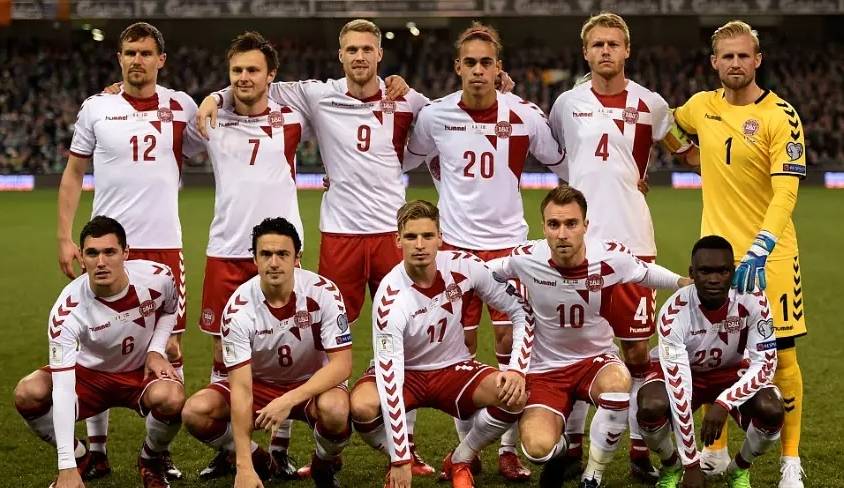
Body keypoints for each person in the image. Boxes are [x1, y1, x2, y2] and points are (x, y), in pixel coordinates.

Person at [196, 19, 435, 475]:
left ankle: (406, 444)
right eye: (351, 49)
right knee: (315, 342)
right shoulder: (315, 95)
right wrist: (214, 97)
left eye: (367, 48)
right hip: (339, 232)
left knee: (405, 336)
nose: (359, 56)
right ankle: (304, 449)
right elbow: (252, 84)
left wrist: (501, 84)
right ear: (340, 55)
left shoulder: (407, 99)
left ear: (379, 54)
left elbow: (440, 122)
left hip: (391, 233)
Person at [403, 22, 565, 480]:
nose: (478, 70)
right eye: (470, 62)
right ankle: (467, 452)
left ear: (499, 68)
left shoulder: (524, 114)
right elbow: (407, 156)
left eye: (486, 63)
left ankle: (507, 451)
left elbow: (561, 161)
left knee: (513, 346)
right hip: (455, 251)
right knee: (461, 348)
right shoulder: (435, 116)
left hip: (510, 248)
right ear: (458, 67)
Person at [547, 12, 694, 482]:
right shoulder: (566, 104)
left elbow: (685, 151)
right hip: (577, 245)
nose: (605, 51)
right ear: (585, 52)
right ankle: (572, 446)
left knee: (636, 352)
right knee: (574, 345)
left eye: (613, 43)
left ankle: (637, 447)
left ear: (627, 50)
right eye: (597, 44)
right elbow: (555, 154)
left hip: (633, 241)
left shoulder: (652, 104)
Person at [56, 22, 197, 478]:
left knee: (170, 346)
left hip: (164, 245)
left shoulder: (182, 105)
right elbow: (74, 173)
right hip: (107, 246)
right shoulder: (97, 107)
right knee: (98, 342)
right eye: (130, 52)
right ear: (119, 58)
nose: (138, 60)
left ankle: (155, 452)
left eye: (146, 53)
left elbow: (223, 129)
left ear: (161, 60)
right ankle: (96, 451)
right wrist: (64, 236)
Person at [673, 20, 807, 488]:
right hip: (715, 259)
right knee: (716, 355)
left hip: (770, 258)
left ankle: (790, 460)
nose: (735, 63)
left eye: (743, 55)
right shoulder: (701, 106)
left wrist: (761, 247)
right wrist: (684, 154)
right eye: (727, 56)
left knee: (782, 357)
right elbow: (665, 121)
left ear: (758, 60)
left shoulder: (781, 115)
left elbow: (785, 192)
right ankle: (714, 451)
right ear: (714, 62)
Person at [487, 185, 691, 488]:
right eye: (554, 224)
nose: (562, 233)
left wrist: (681, 282)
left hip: (596, 362)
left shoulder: (610, 257)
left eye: (571, 223)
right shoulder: (526, 258)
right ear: (543, 227)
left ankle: (592, 475)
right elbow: (486, 273)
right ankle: (560, 453)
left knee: (618, 384)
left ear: (585, 225)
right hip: (545, 369)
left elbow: (644, 272)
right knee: (537, 450)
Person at [182, 31, 310, 480]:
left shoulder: (295, 117)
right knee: (223, 354)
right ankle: (237, 450)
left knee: (286, 349)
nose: (244, 77)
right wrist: (214, 98)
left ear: (271, 75)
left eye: (253, 69)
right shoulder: (210, 119)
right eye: (236, 70)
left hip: (281, 252)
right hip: (226, 249)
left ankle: (280, 448)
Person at [349, 200, 533, 488]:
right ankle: (405, 456)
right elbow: (390, 378)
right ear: (398, 240)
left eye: (427, 235)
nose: (420, 245)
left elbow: (521, 311)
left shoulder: (465, 266)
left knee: (515, 396)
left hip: (453, 368)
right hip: (406, 373)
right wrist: (399, 459)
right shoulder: (389, 297)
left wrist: (517, 369)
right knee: (362, 406)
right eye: (411, 237)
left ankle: (461, 458)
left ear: (440, 238)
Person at [14, 216, 185, 488]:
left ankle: (150, 459)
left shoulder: (159, 277)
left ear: (126, 253)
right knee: (28, 392)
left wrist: (155, 350)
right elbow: (63, 388)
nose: (101, 262)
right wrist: (66, 465)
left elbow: (170, 309)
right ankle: (82, 457)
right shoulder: (67, 311)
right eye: (92, 253)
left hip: (139, 371)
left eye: (110, 252)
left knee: (173, 398)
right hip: (89, 376)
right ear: (81, 258)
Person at [181, 217, 352, 488]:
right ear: (255, 259)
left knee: (336, 409)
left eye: (282, 254)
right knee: (196, 411)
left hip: (311, 384)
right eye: (266, 254)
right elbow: (240, 389)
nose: (274, 262)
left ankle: (323, 462)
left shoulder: (324, 293)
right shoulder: (238, 310)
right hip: (259, 385)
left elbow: (342, 365)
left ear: (297, 258)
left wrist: (289, 399)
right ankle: (260, 461)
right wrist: (244, 467)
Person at [637, 235, 784, 488]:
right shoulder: (673, 313)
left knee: (772, 409)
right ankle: (671, 465)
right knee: (650, 406)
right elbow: (679, 389)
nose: (714, 279)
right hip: (687, 373)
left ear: (733, 272)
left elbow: (766, 364)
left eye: (722, 271)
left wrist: (724, 402)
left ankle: (739, 469)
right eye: (705, 271)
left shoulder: (754, 299)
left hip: (731, 372)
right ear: (692, 273)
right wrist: (691, 465)